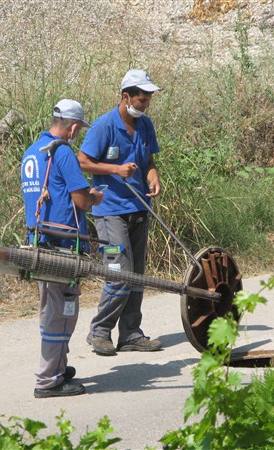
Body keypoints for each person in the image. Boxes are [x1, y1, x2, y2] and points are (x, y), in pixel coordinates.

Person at [21, 99, 104, 397]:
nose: (78, 134)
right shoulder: (63, 152)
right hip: (62, 245)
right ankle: (49, 380)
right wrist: (95, 197)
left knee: (52, 309)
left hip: (40, 241)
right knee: (63, 312)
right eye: (79, 129)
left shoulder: (33, 151)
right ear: (73, 127)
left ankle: (58, 365)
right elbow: (81, 200)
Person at [78, 69, 162, 356]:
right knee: (119, 272)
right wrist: (115, 169)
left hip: (139, 208)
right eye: (141, 99)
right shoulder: (104, 126)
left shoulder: (145, 125)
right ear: (126, 96)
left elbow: (149, 161)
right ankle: (100, 331)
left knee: (136, 274)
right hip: (110, 212)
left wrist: (153, 176)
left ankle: (131, 334)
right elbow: (82, 162)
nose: (145, 105)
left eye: (148, 99)